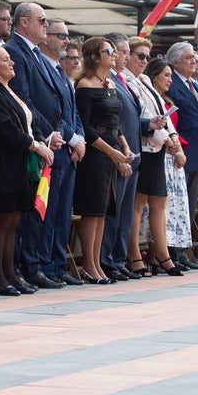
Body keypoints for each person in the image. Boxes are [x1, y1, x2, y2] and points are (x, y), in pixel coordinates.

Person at [0, 45, 54, 295]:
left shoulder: (13, 90)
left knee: (15, 219)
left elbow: (32, 122)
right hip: (1, 165)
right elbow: (6, 127)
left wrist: (41, 142)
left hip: (19, 164)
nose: (11, 63)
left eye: (10, 59)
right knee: (3, 219)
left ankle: (11, 273)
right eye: (5, 60)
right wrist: (35, 146)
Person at [4, 2, 66, 290]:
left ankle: (33, 264)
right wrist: (46, 134)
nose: (46, 25)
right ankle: (23, 266)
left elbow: (55, 98)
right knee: (28, 211)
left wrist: (57, 132)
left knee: (40, 209)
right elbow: (24, 99)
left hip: (48, 139)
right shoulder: (15, 51)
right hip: (32, 141)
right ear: (24, 22)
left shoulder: (35, 53)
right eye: (41, 20)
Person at [74, 37, 132, 283]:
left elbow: (116, 123)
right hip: (95, 153)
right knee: (92, 210)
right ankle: (88, 264)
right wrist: (111, 151)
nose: (114, 54)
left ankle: (97, 262)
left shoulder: (110, 84)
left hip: (112, 149)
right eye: (108, 51)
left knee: (103, 211)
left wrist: (125, 147)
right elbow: (85, 127)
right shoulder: (85, 85)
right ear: (95, 57)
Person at [123, 38, 182, 277]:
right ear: (127, 56)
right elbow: (143, 114)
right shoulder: (125, 79)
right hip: (144, 147)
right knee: (138, 204)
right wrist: (167, 139)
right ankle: (134, 255)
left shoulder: (144, 80)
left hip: (157, 147)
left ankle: (161, 254)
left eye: (147, 57)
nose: (144, 61)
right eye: (140, 56)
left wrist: (173, 137)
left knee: (159, 202)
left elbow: (161, 111)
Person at [39, 19, 85, 287]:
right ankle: (45, 264)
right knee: (49, 213)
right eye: (62, 35)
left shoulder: (61, 72)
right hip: (56, 147)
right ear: (46, 38)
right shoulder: (44, 67)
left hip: (69, 152)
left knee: (62, 214)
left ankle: (58, 264)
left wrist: (79, 139)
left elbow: (74, 113)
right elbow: (51, 112)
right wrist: (73, 138)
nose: (67, 40)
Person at [102, 32, 150, 282]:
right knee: (113, 212)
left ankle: (119, 259)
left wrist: (149, 124)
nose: (126, 57)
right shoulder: (106, 80)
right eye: (123, 52)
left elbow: (131, 117)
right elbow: (113, 121)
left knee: (125, 214)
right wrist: (120, 152)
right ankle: (107, 259)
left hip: (132, 154)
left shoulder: (122, 80)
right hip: (117, 154)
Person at [165, 42, 198, 269]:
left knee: (188, 205)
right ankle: (173, 252)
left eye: (194, 57)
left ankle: (182, 250)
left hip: (197, 153)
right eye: (188, 57)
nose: (194, 61)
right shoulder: (172, 84)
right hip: (180, 151)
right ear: (175, 62)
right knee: (176, 205)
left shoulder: (194, 84)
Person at [146, 58, 192, 270]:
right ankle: (156, 254)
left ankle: (166, 252)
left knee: (169, 208)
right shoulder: (150, 97)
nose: (170, 80)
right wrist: (172, 144)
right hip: (159, 155)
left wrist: (178, 146)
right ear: (154, 76)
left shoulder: (164, 99)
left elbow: (172, 128)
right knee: (156, 208)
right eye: (166, 75)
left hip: (172, 156)